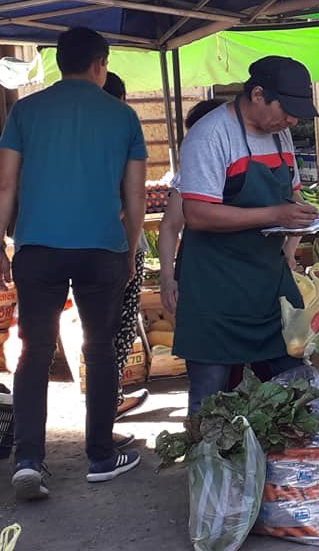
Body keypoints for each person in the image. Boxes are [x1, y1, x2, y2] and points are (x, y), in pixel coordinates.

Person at [0, 27, 147, 499]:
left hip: (37, 247)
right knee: (100, 350)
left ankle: (28, 459)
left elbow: (5, 186)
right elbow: (136, 195)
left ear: (60, 62)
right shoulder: (122, 117)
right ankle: (101, 455)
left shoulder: (25, 110)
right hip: (101, 248)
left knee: (34, 350)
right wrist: (128, 247)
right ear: (100, 64)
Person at [173, 56, 319, 414]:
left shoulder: (280, 135)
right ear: (257, 94)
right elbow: (197, 214)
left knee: (293, 384)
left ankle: (289, 467)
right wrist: (274, 214)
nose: (293, 121)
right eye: (287, 110)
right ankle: (206, 467)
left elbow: (292, 196)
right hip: (215, 287)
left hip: (268, 282)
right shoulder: (210, 136)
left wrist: (298, 223)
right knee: (211, 393)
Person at [102, 72, 150, 426]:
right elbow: (132, 196)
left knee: (105, 327)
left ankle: (109, 397)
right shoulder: (121, 132)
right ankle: (109, 401)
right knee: (118, 324)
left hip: (92, 244)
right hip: (120, 243)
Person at [157, 99, 225, 316]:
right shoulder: (191, 173)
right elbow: (169, 226)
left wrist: (289, 253)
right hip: (201, 269)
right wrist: (167, 277)